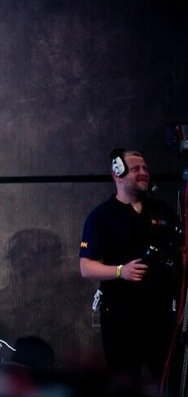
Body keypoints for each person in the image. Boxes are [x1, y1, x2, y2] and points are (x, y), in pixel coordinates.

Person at [79, 148, 180, 385]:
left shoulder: (162, 211)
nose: (143, 173)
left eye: (145, 168)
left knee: (168, 381)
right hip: (120, 319)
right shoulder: (101, 216)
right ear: (117, 174)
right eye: (135, 169)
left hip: (160, 318)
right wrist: (120, 271)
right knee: (125, 383)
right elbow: (86, 267)